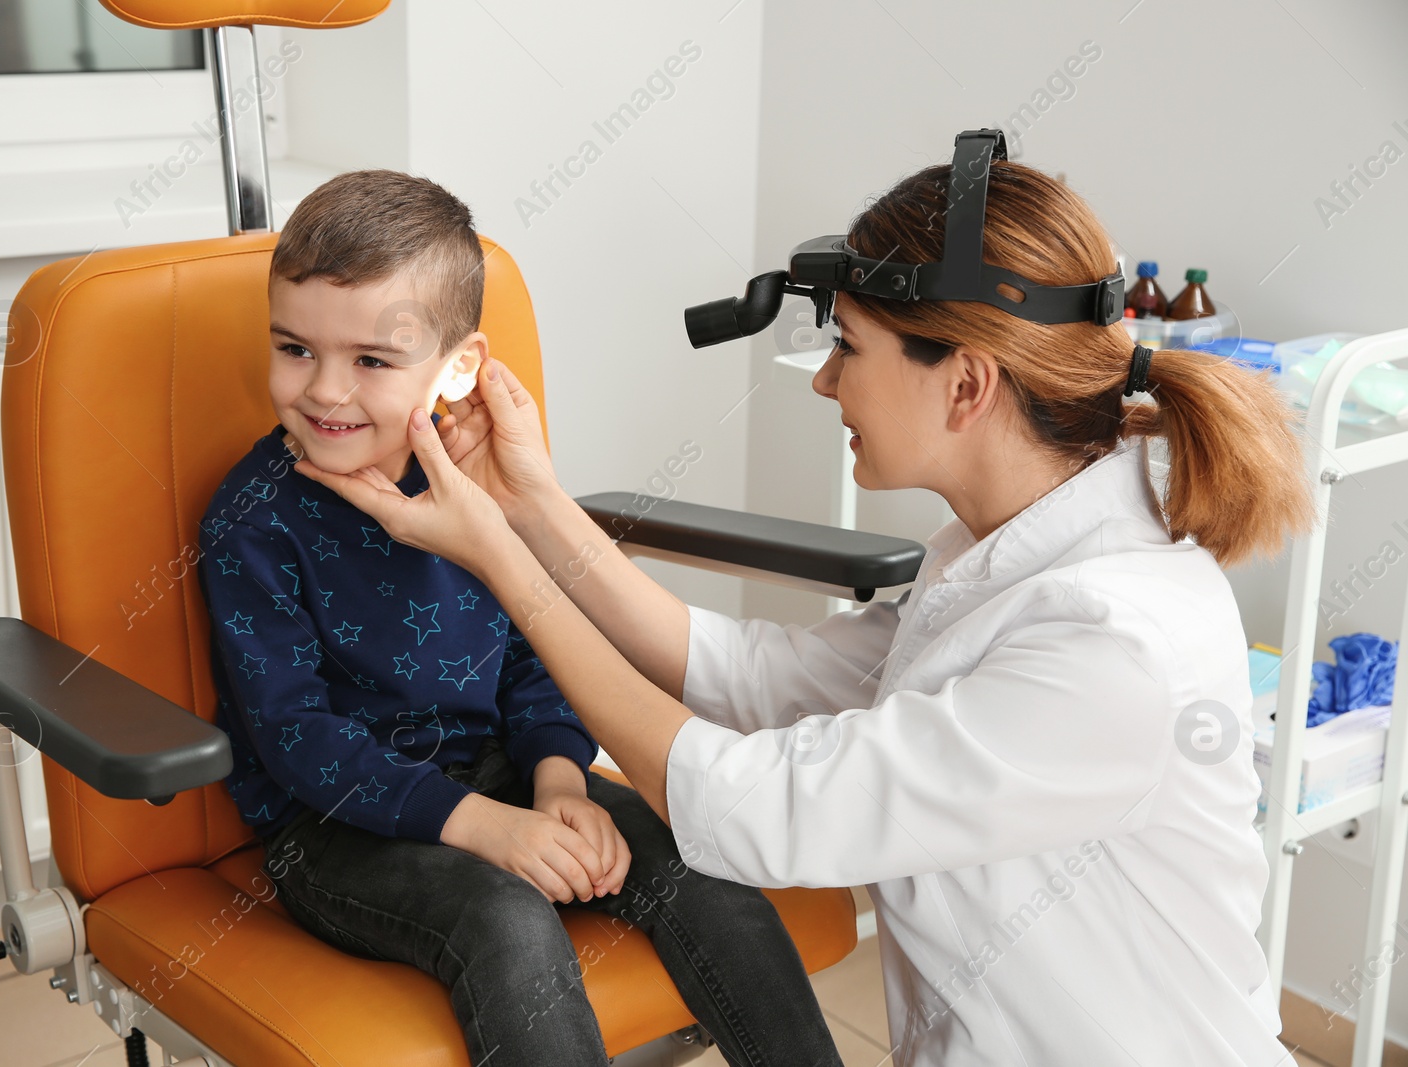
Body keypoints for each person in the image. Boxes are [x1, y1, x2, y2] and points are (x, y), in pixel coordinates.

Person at [297, 158, 1316, 1065]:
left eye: (851, 348)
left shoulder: (1110, 641)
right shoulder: (1006, 545)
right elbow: (763, 678)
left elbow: (752, 809)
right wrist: (531, 503)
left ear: (965, 384)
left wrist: (500, 557)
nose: (825, 380)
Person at [196, 169, 846, 1067]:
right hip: (334, 826)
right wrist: (487, 827)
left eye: (372, 361)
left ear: (458, 366)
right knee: (508, 918)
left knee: (709, 869)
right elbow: (295, 737)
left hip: (503, 770)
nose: (325, 391)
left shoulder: (476, 483)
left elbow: (539, 654)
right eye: (294, 348)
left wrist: (559, 782)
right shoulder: (253, 520)